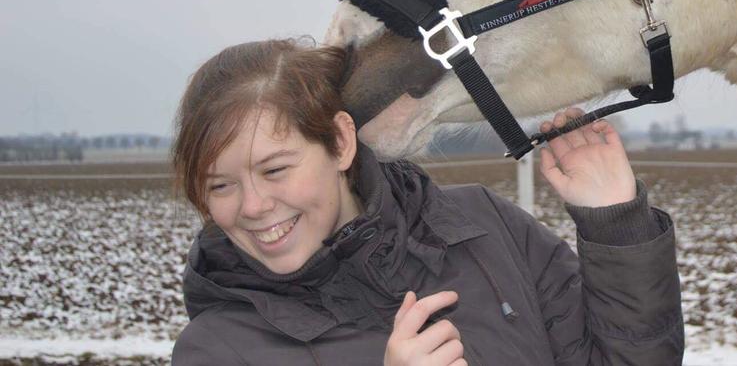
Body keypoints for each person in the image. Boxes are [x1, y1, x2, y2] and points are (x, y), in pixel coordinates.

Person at [170, 38, 684, 365]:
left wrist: (615, 223)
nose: (253, 205)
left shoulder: (484, 228)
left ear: (340, 142)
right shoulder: (217, 349)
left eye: (274, 169)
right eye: (220, 185)